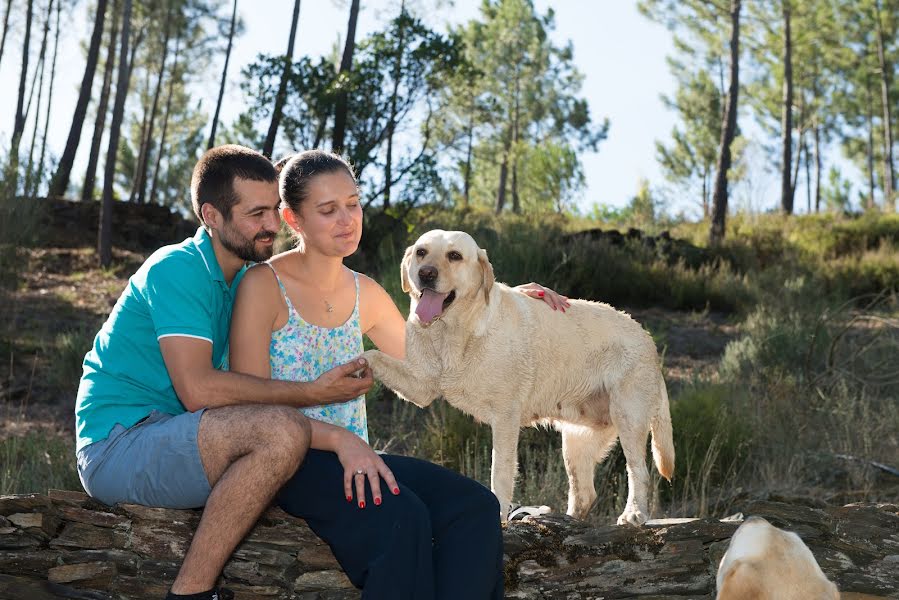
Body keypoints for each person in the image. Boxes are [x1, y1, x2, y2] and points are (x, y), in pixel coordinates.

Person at [228, 149, 570, 599]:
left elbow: (428, 367)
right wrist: (339, 442)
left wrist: (501, 300)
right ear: (293, 219)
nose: (346, 219)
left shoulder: (364, 292)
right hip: (286, 460)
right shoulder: (262, 285)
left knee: (475, 506)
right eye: (328, 210)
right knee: (403, 517)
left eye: (352, 203)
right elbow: (251, 408)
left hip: (356, 462)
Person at [74, 145, 373, 600]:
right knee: (280, 432)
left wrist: (496, 295)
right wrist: (310, 392)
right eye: (256, 214)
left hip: (184, 434)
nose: (272, 225)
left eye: (274, 209)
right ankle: (191, 593)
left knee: (284, 437)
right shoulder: (177, 268)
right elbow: (197, 389)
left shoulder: (247, 277)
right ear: (211, 215)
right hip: (119, 444)